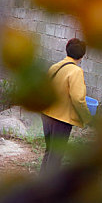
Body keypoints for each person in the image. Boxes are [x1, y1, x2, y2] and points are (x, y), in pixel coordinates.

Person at [40, 38, 92, 174]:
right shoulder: (76, 71)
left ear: (67, 50)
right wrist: (87, 117)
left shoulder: (55, 67)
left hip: (46, 115)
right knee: (56, 155)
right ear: (82, 56)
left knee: (49, 151)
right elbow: (78, 99)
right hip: (61, 119)